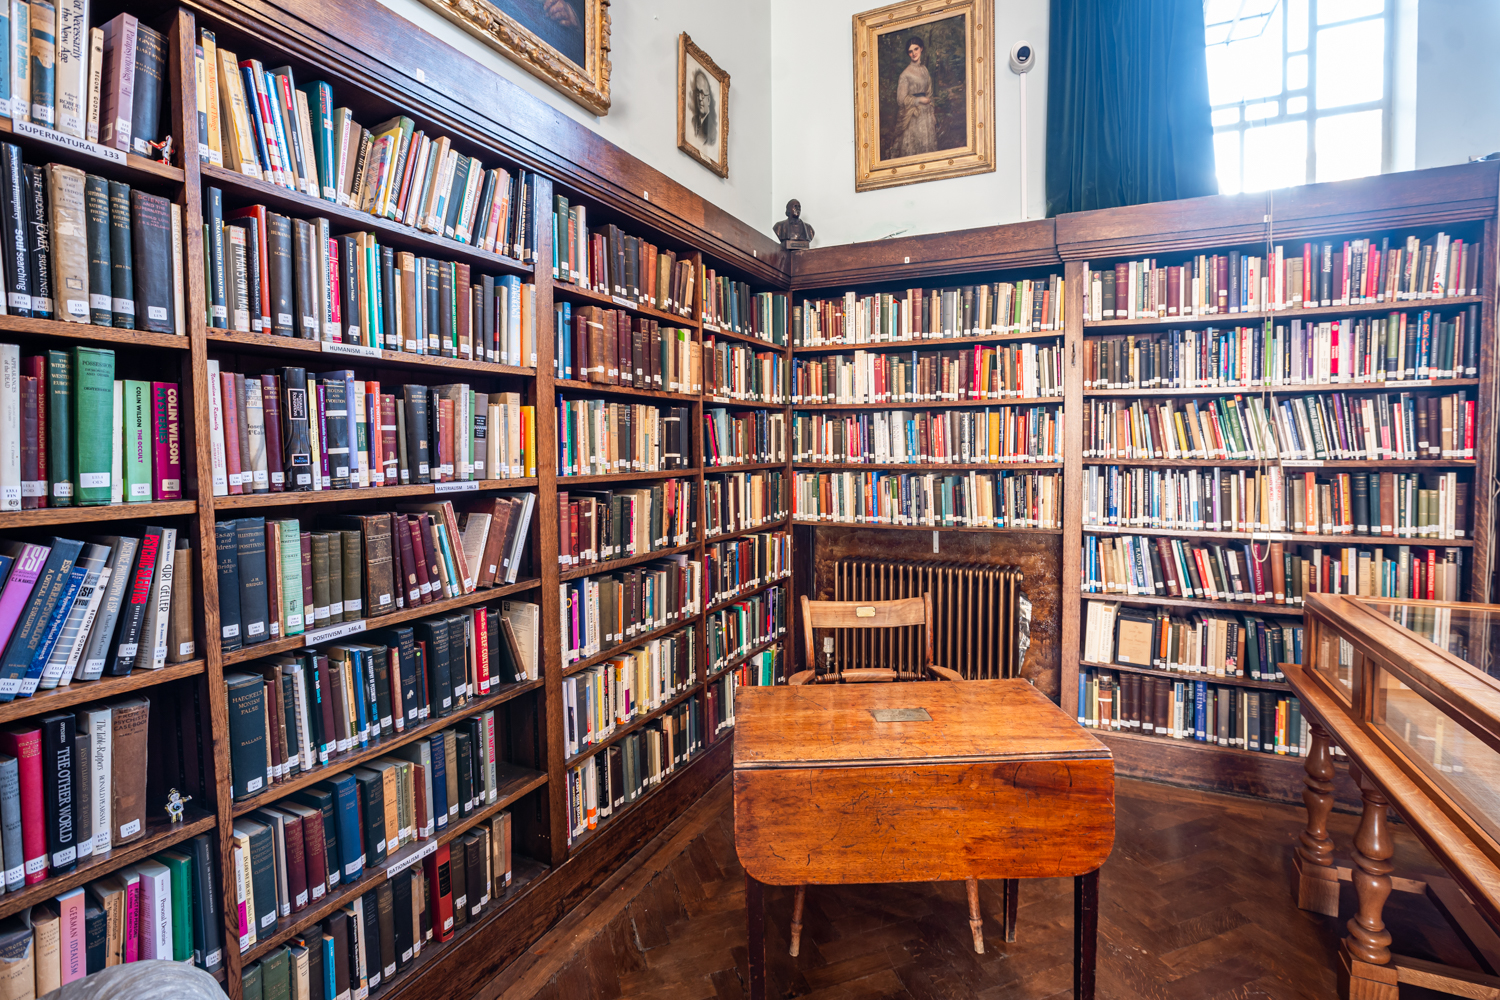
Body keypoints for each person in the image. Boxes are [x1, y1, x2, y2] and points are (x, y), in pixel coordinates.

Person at [892, 36, 937, 157]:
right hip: (912, 116)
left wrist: (932, 113)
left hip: (926, 115)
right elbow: (901, 100)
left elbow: (929, 93)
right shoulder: (905, 74)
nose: (913, 53)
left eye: (916, 49)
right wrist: (919, 100)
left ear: (921, 49)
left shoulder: (924, 70)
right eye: (910, 51)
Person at [692, 69, 717, 147]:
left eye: (702, 94)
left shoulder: (713, 131)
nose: (699, 98)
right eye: (698, 93)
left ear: (708, 100)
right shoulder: (693, 121)